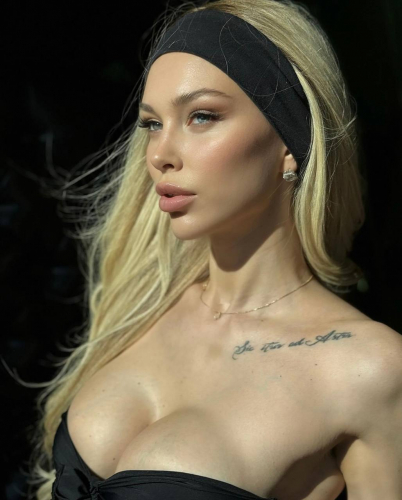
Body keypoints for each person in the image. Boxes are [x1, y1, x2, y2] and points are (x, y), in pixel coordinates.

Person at [27, 1, 402, 499]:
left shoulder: (368, 366)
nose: (160, 154)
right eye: (152, 124)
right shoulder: (142, 306)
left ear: (290, 140)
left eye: (201, 116)